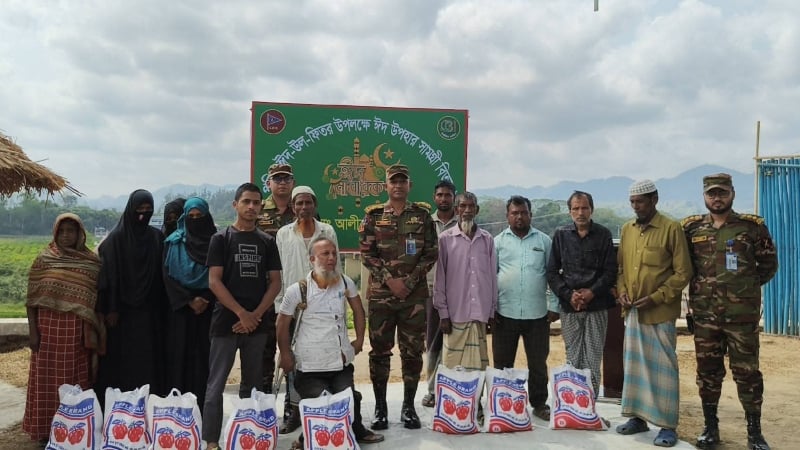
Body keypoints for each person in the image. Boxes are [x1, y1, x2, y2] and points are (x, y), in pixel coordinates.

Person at [682, 173, 778, 450]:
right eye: (712, 193)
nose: (717, 198)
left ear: (732, 194)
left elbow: (768, 266)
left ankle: (754, 433)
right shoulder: (691, 229)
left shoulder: (752, 227)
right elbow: (685, 265)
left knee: (747, 372)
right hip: (705, 316)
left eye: (722, 193)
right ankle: (710, 429)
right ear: (704, 196)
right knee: (708, 372)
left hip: (741, 317)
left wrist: (742, 290)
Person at [277, 237, 384, 449]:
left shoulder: (345, 282)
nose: (332, 258)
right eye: (325, 254)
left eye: (334, 254)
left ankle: (358, 429)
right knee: (323, 405)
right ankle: (306, 437)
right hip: (310, 366)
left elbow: (358, 311)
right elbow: (281, 323)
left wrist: (359, 339)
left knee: (349, 400)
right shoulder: (298, 289)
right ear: (312, 259)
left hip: (339, 362)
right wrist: (286, 354)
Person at [202, 183, 282, 450]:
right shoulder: (221, 239)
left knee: (253, 384)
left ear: (261, 207)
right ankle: (211, 440)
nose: (251, 207)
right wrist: (240, 313)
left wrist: (255, 315)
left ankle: (250, 434)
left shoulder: (267, 241)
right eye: (246, 201)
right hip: (226, 323)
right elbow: (214, 281)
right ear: (235, 204)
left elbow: (275, 283)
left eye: (256, 203)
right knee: (216, 385)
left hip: (257, 326)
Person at [359, 164, 438, 430]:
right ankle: (380, 409)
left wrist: (409, 282)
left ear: (409, 186)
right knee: (380, 352)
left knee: (412, 353)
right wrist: (390, 281)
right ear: (386, 186)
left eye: (403, 182)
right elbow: (367, 254)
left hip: (413, 297)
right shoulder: (373, 216)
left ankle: (408, 408)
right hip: (382, 296)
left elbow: (430, 253)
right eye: (393, 182)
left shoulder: (423, 216)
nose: (398, 186)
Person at [615, 179, 692, 448]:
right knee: (634, 367)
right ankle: (637, 418)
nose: (637, 207)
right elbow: (622, 269)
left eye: (641, 201)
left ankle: (667, 426)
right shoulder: (627, 229)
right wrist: (622, 291)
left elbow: (684, 272)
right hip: (633, 312)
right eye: (633, 202)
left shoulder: (671, 228)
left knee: (664, 371)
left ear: (654, 200)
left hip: (659, 311)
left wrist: (658, 297)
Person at [22, 213, 103, 444]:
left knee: (74, 380)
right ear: (55, 233)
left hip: (76, 332)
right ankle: (44, 431)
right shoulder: (44, 260)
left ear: (80, 234)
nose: (66, 236)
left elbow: (95, 299)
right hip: (47, 331)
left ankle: (73, 431)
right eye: (62, 231)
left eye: (71, 231)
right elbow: (32, 300)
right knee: (45, 381)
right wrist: (33, 332)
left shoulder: (90, 263)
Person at [274, 185, 339, 433]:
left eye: (308, 203)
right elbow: (279, 270)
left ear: (315, 205)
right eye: (298, 203)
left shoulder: (328, 231)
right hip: (291, 305)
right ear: (292, 207)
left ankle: (318, 409)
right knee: (291, 360)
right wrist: (280, 305)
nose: (303, 208)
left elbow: (335, 266)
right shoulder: (283, 234)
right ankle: (292, 412)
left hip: (321, 305)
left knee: (316, 357)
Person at [96, 189, 168, 397]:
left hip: (150, 312)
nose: (143, 214)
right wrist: (111, 308)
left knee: (148, 360)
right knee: (122, 362)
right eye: (139, 209)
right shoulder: (115, 241)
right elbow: (108, 278)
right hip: (121, 316)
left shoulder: (156, 238)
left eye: (148, 210)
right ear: (130, 210)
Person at [493, 195, 559, 421]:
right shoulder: (498, 242)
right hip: (504, 313)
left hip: (538, 314)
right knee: (503, 364)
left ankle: (539, 403)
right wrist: (491, 308)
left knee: (538, 363)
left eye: (523, 212)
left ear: (531, 214)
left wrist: (554, 305)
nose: (519, 216)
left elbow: (553, 276)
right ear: (507, 216)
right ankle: (504, 403)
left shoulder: (543, 241)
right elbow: (491, 277)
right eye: (514, 213)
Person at [546, 191, 617, 398]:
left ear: (591, 209)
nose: (580, 212)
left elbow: (610, 271)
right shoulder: (561, 235)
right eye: (575, 208)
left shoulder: (603, 234)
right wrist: (569, 295)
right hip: (570, 306)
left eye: (584, 208)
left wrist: (591, 293)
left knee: (593, 357)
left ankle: (589, 405)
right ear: (569, 212)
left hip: (597, 304)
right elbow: (552, 272)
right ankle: (573, 405)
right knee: (573, 356)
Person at [162, 197, 217, 411]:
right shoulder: (173, 242)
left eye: (199, 216)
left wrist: (206, 298)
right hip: (180, 311)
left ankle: (203, 413)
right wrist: (188, 300)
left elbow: (220, 274)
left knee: (205, 363)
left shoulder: (217, 242)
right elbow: (166, 276)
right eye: (191, 217)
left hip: (208, 310)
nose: (195, 220)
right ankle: (177, 413)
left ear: (207, 217)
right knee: (178, 360)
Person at [434, 191, 497, 372]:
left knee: (479, 365)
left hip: (479, 315)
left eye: (471, 206)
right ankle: (453, 400)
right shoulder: (445, 240)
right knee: (452, 365)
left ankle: (475, 400)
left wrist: (491, 311)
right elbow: (440, 279)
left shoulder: (487, 240)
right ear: (456, 210)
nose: (467, 210)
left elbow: (492, 278)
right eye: (463, 206)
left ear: (477, 210)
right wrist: (443, 314)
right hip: (455, 316)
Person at [256, 163, 295, 399]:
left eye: (286, 178)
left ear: (292, 182)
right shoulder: (258, 211)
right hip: (265, 293)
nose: (282, 182)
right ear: (268, 183)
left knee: (293, 351)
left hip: (293, 292)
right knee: (264, 352)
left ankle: (293, 406)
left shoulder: (302, 208)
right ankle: (264, 406)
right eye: (277, 179)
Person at [421, 179, 459, 408]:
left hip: (458, 291)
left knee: (456, 340)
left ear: (454, 198)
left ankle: (454, 388)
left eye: (448, 195)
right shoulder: (426, 222)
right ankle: (433, 390)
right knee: (433, 340)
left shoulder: (463, 223)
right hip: (431, 289)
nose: (444, 199)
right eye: (440, 195)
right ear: (434, 198)